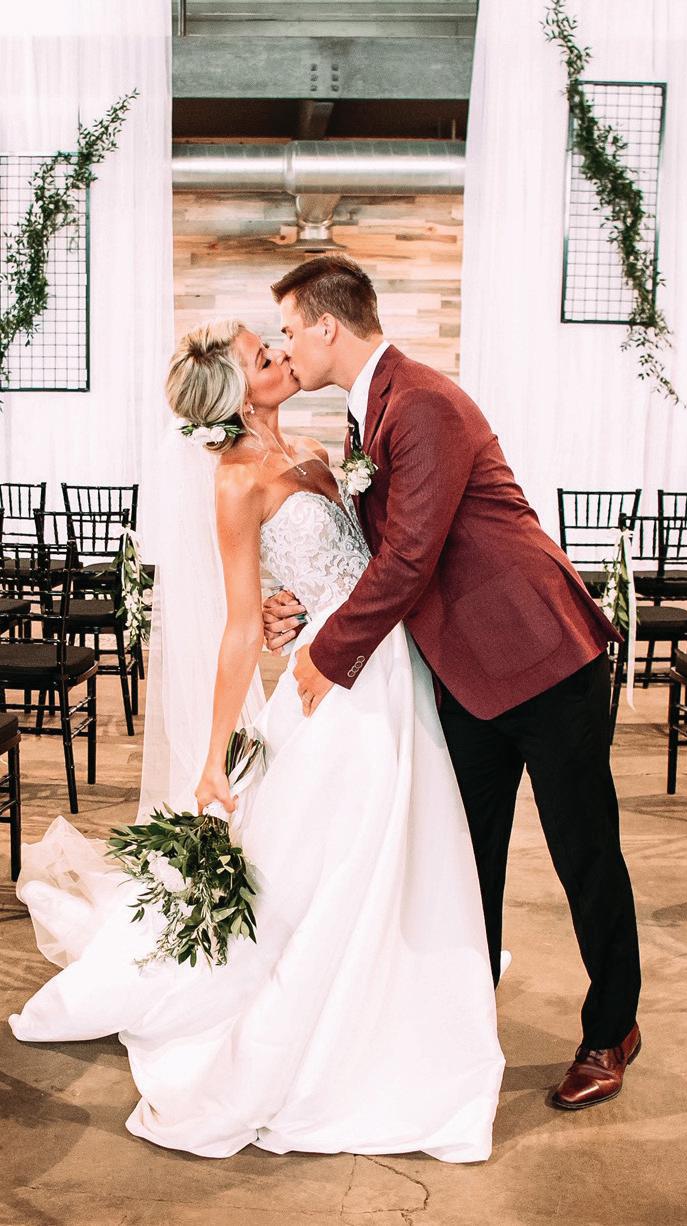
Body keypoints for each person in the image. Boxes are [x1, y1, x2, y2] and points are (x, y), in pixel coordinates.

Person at [8, 319, 504, 1162]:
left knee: (401, 836)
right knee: (347, 844)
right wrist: (213, 758)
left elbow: (360, 562)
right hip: (335, 685)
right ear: (236, 397)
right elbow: (242, 623)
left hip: (387, 660)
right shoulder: (236, 480)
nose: (279, 355)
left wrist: (303, 606)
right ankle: (339, 1025)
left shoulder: (314, 445)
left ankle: (401, 986)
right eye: (260, 356)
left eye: (272, 345)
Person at [263, 254, 642, 1112]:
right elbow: (373, 550)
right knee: (467, 861)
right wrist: (303, 600)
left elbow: (409, 556)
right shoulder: (367, 415)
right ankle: (461, 1026)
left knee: (584, 850)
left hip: (544, 657)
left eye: (289, 330)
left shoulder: (421, 402)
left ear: (327, 325)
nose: (285, 348)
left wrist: (327, 656)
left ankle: (611, 1027)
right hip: (463, 674)